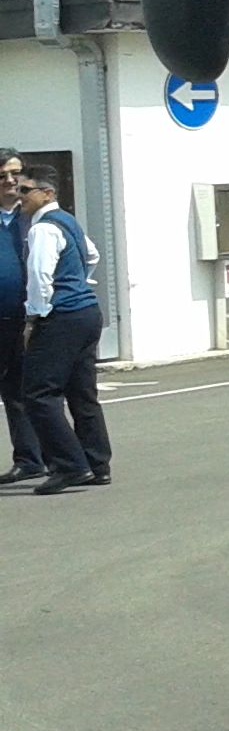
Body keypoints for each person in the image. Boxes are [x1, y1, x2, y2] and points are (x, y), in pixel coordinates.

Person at [19, 168, 111, 494]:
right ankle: (97, 463)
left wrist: (35, 317)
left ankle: (70, 465)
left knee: (38, 394)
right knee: (82, 393)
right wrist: (79, 281)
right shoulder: (67, 221)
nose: (20, 197)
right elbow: (93, 253)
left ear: (47, 193)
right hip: (87, 312)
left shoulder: (43, 228)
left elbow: (40, 277)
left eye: (25, 190)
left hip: (63, 316)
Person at [0, 151, 44, 486]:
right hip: (2, 316)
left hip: (33, 318)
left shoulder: (36, 215)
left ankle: (48, 459)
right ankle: (30, 459)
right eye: (2, 175)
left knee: (34, 391)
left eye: (16, 174)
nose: (10, 181)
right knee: (12, 391)